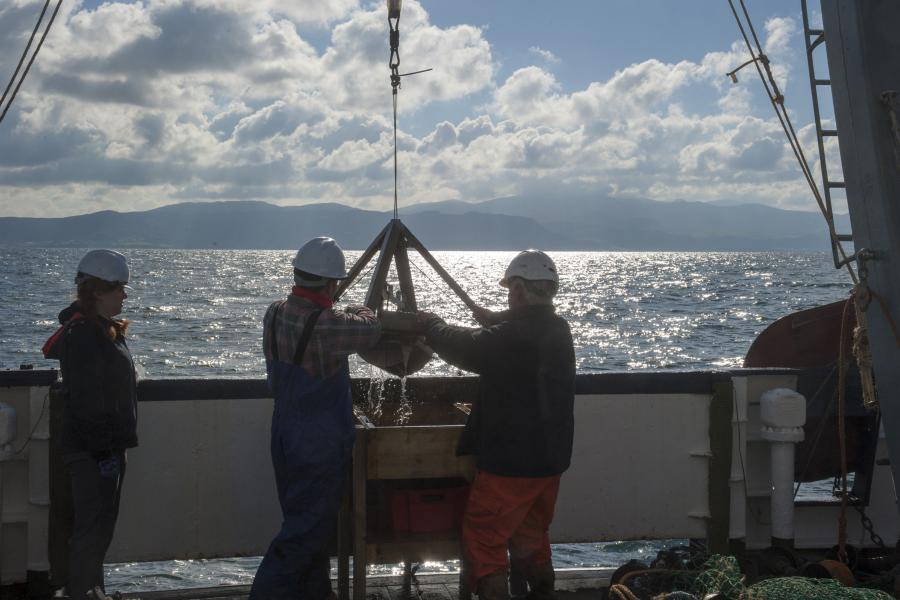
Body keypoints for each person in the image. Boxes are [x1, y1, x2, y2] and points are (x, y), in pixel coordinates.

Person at [418, 250, 575, 600]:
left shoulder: (509, 338)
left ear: (518, 290)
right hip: (549, 463)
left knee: (485, 543)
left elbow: (465, 347)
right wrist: (495, 319)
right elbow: (521, 332)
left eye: (510, 290)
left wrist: (431, 324)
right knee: (532, 538)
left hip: (509, 464)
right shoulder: (558, 329)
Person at [250, 236, 381, 599]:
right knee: (304, 534)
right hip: (317, 443)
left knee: (306, 527)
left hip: (284, 433)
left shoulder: (274, 310)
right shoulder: (328, 324)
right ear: (331, 283)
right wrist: (362, 307)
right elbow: (371, 329)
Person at [42, 249, 137, 600]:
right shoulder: (84, 335)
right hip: (94, 451)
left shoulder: (103, 330)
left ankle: (91, 590)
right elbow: (86, 399)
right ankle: (82, 592)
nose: (125, 295)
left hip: (105, 447)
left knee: (99, 528)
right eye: (119, 288)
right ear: (97, 290)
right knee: (91, 529)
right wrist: (103, 453)